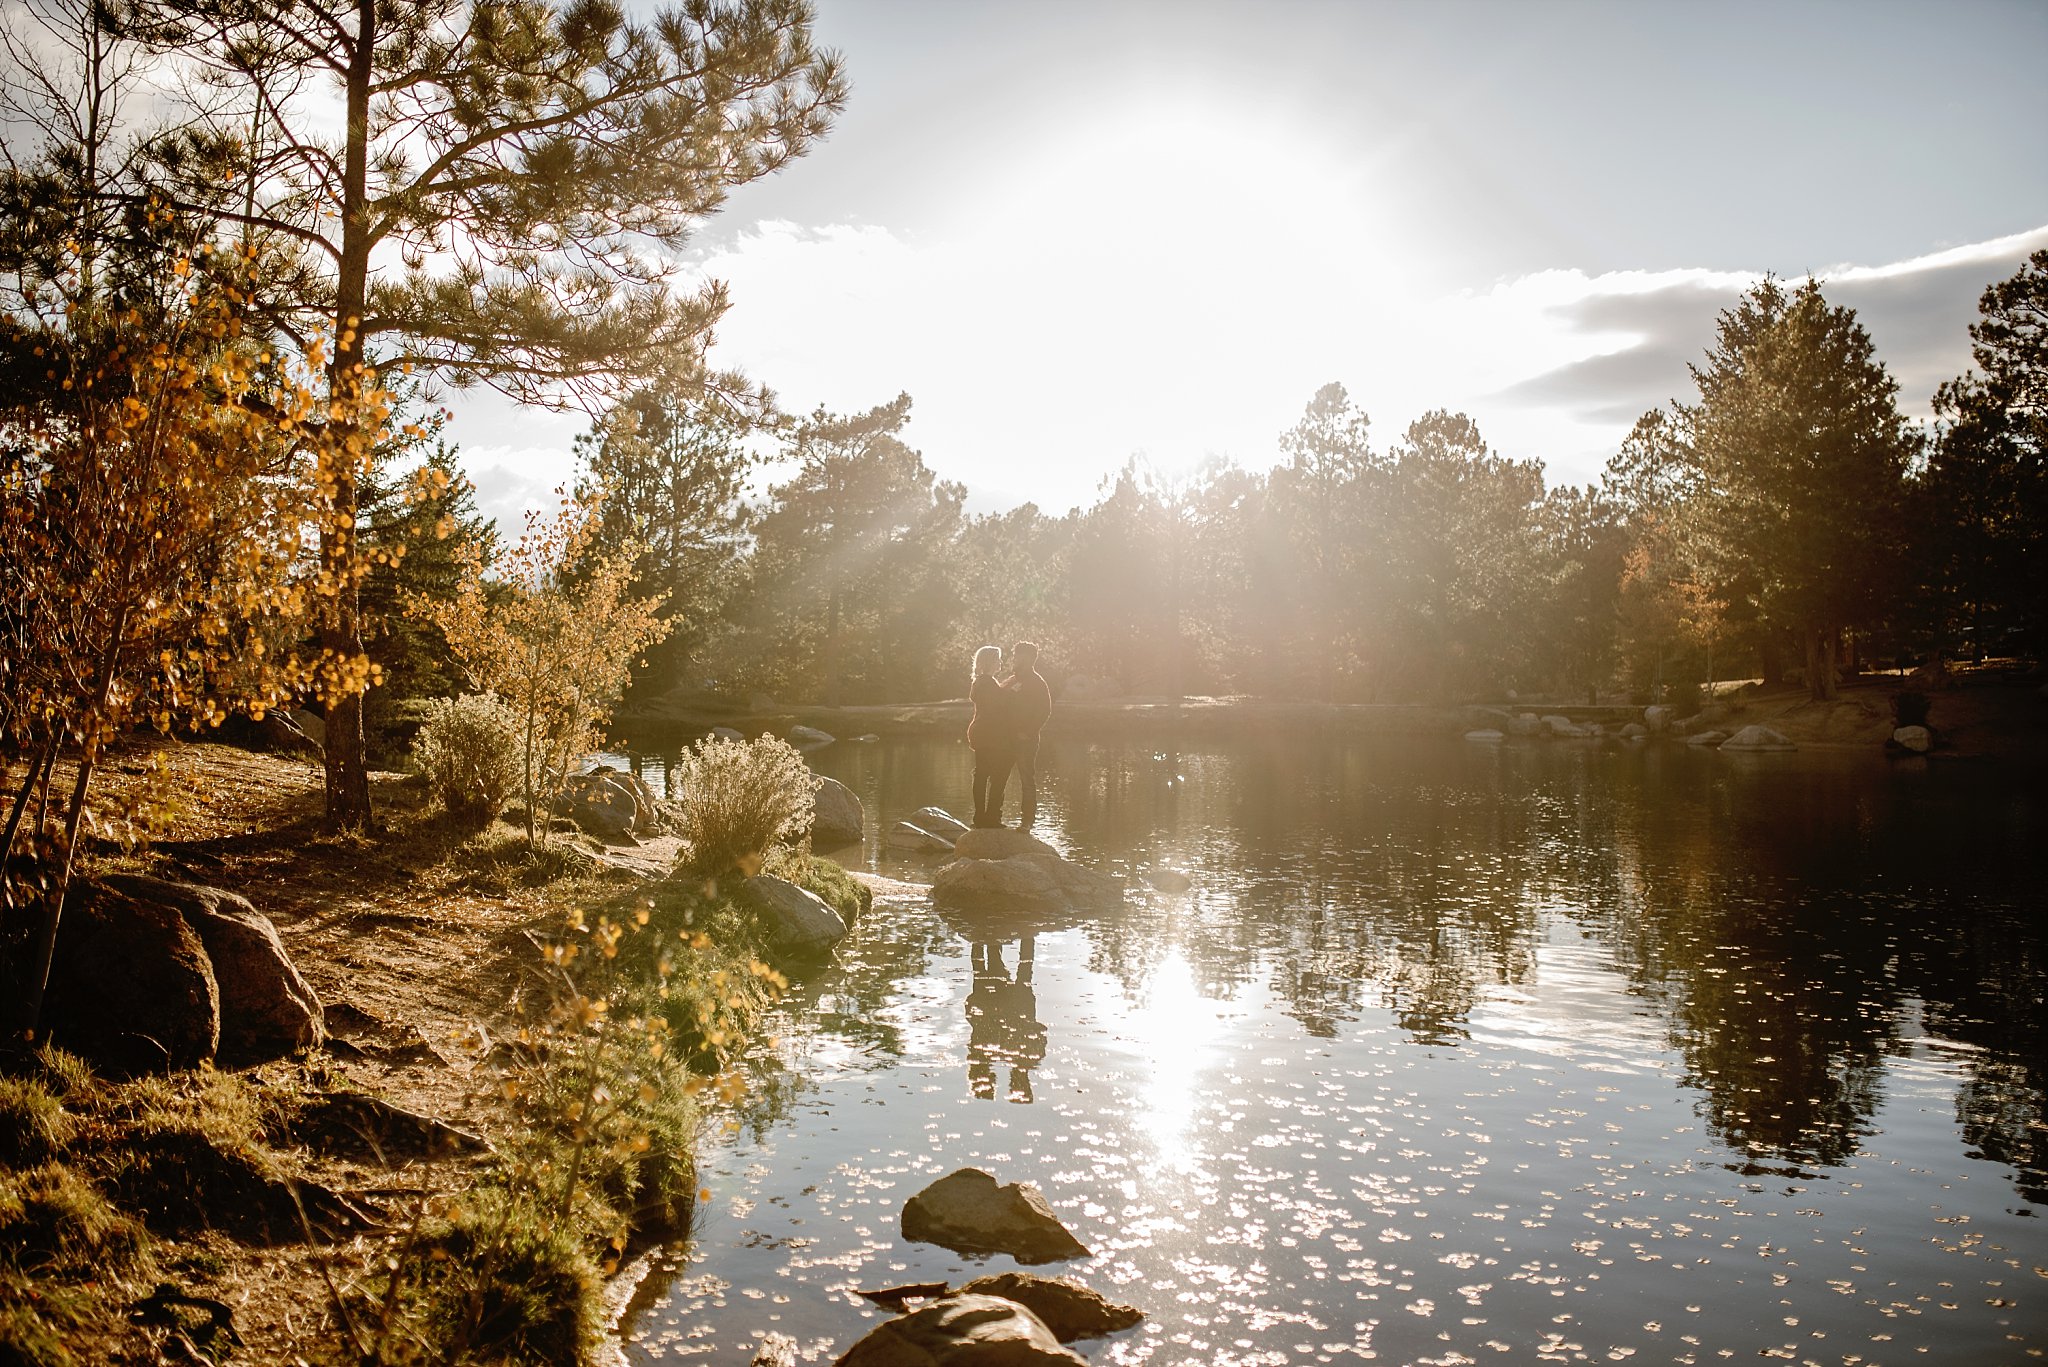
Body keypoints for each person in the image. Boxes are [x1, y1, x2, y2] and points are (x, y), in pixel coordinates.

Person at [966, 644, 1016, 828]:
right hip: (991, 735)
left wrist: (1007, 685)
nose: (1001, 662)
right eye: (998, 659)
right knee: (998, 775)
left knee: (981, 775)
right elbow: (1000, 701)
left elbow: (997, 695)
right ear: (990, 662)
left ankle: (980, 817)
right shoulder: (987, 683)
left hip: (980, 733)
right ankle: (992, 817)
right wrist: (1013, 686)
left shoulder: (980, 682)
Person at [1006, 641, 1052, 828]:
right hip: (1005, 739)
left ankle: (1027, 822)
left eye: (1018, 655)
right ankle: (993, 818)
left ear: (1029, 658)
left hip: (1026, 741)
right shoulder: (1012, 680)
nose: (1015, 658)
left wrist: (1028, 732)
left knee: (1026, 779)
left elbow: (1045, 710)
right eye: (1015, 654)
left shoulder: (1037, 683)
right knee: (999, 776)